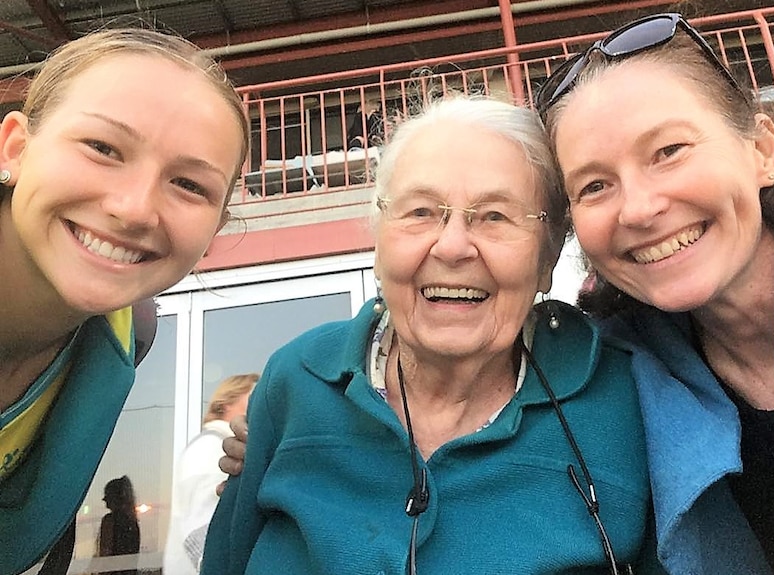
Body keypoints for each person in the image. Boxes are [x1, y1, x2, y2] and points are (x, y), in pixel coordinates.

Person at [201, 96, 664, 574]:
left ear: (547, 259)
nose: (453, 246)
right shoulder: (297, 380)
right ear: (379, 244)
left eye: (495, 216)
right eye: (420, 212)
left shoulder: (624, 393)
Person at [535, 12, 774, 574]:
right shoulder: (609, 371)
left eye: (668, 151)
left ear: (762, 151)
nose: (639, 209)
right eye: (594, 186)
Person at [0, 27, 249, 575]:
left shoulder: (129, 330)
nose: (135, 209)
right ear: (15, 147)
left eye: (188, 185)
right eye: (102, 148)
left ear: (216, 229)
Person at [164, 373, 258, 575]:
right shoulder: (210, 446)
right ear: (225, 404)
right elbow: (201, 530)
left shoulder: (223, 446)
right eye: (252, 397)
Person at [96, 476, 141, 575]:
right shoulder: (133, 523)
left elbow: (105, 556)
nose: (105, 501)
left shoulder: (109, 520)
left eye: (107, 497)